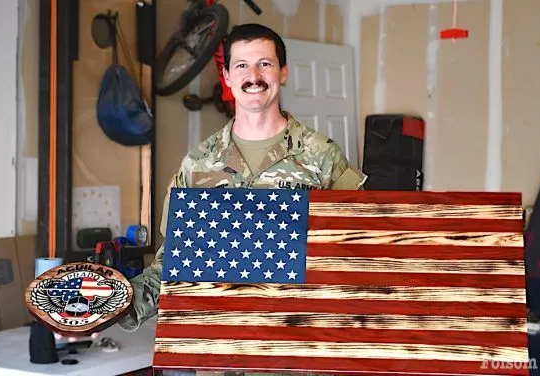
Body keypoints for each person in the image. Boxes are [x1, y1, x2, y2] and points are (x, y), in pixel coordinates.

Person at [117, 22, 367, 334]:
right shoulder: (197, 164)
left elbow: (358, 254)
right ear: (227, 77)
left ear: (283, 72)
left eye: (265, 63)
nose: (253, 76)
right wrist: (116, 305)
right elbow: (172, 264)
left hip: (297, 341)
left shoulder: (323, 156)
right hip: (218, 344)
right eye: (241, 65)